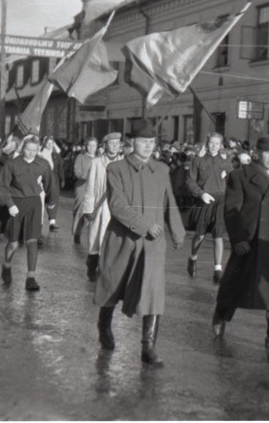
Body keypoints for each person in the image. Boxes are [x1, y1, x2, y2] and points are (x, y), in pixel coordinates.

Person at [93, 120, 185, 366]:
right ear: (131, 143)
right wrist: (144, 225)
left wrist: (177, 231)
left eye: (152, 142)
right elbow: (117, 206)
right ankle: (104, 327)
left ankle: (148, 346)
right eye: (143, 141)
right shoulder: (116, 169)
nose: (148, 146)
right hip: (123, 240)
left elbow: (169, 201)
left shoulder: (162, 169)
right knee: (112, 286)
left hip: (153, 243)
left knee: (153, 292)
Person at [211, 135, 269, 352]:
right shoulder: (239, 176)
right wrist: (239, 239)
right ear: (256, 153)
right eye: (267, 152)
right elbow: (231, 211)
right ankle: (221, 315)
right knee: (235, 284)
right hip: (249, 240)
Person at [0, 136, 55, 291]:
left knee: (32, 241)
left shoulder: (43, 164)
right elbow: (2, 185)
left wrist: (50, 202)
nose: (31, 153)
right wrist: (9, 204)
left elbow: (49, 185)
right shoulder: (12, 164)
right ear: (22, 148)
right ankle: (6, 265)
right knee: (14, 243)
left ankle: (31, 278)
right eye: (28, 150)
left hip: (34, 203)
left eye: (34, 150)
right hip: (16, 204)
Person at [185, 132, 233, 283]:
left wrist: (227, 169)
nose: (214, 146)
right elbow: (190, 181)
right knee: (199, 235)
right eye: (211, 143)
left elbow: (233, 180)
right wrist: (201, 194)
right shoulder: (197, 160)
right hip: (204, 199)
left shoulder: (225, 160)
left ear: (221, 145)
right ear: (207, 143)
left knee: (218, 235)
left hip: (221, 200)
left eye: (217, 144)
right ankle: (193, 258)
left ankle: (217, 269)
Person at [81, 133, 124, 281]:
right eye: (112, 144)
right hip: (100, 207)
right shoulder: (97, 163)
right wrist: (88, 209)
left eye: (117, 144)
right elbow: (90, 187)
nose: (115, 147)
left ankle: (109, 269)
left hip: (118, 207)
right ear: (105, 145)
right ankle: (92, 265)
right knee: (95, 237)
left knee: (115, 239)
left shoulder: (124, 163)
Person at [72, 137, 98, 244]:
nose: (91, 148)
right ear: (85, 146)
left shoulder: (99, 158)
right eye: (89, 145)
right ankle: (76, 233)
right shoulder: (81, 157)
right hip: (82, 186)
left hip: (96, 187)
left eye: (94, 146)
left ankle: (93, 234)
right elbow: (77, 171)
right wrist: (85, 176)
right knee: (80, 210)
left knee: (94, 209)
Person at [39, 136, 65, 232]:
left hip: (54, 179)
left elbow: (60, 168)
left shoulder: (56, 154)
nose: (50, 145)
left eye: (51, 143)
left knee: (53, 199)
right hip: (42, 179)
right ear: (44, 143)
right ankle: (39, 222)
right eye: (48, 143)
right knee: (41, 200)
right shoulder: (40, 154)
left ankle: (52, 222)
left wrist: (62, 179)